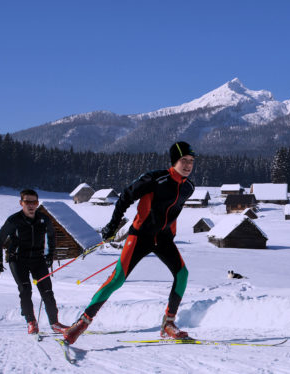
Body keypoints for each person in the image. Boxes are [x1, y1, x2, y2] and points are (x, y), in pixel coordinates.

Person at [64, 141, 196, 344]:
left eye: (191, 161)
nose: (188, 165)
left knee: (182, 274)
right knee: (117, 279)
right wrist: (113, 224)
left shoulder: (188, 187)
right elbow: (126, 196)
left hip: (162, 239)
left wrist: (171, 233)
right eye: (183, 160)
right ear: (173, 161)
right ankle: (82, 322)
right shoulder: (155, 178)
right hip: (140, 236)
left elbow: (173, 211)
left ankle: (169, 323)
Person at [0, 189, 69, 334]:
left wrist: (50, 255)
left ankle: (55, 324)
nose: (31, 205)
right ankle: (31, 322)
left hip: (38, 258)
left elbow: (52, 236)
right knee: (25, 290)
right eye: (27, 202)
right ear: (21, 203)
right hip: (17, 259)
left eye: (34, 202)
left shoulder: (43, 219)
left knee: (47, 291)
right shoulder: (14, 220)